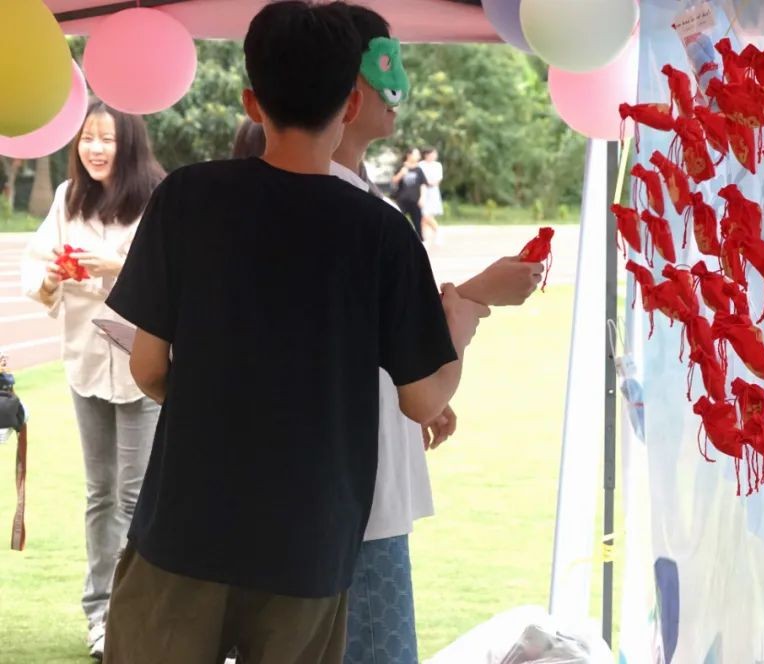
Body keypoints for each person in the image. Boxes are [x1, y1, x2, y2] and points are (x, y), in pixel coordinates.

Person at [101, 2, 489, 661]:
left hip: (186, 525)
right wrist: (466, 319)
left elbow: (147, 368)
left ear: (252, 102)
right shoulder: (381, 232)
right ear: (351, 101)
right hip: (311, 541)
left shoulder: (187, 198)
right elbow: (424, 400)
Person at [329, 7, 543, 663]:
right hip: (359, 498)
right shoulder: (360, 219)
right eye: (383, 66)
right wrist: (472, 301)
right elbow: (417, 386)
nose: (397, 89)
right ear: (349, 90)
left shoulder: (328, 205)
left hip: (319, 493)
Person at [20, 99, 164, 661]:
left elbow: (174, 277)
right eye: (87, 138)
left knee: (135, 495)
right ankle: (100, 615)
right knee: (100, 494)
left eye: (107, 138)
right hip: (84, 362)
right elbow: (39, 266)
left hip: (142, 369)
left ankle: (138, 613)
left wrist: (114, 267)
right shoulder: (67, 198)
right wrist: (51, 279)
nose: (96, 148)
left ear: (129, 144)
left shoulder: (156, 198)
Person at [391, 147, 427, 237]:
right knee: (397, 220)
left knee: (417, 223)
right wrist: (401, 173)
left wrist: (422, 198)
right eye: (416, 154)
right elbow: (394, 181)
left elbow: (423, 184)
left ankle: (420, 241)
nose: (418, 156)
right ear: (409, 155)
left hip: (415, 200)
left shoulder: (418, 169)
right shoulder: (401, 167)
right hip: (402, 199)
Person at [418, 147, 443, 243]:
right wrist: (425, 183)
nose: (434, 156)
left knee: (428, 215)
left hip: (433, 191)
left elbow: (439, 178)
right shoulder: (420, 164)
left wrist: (431, 183)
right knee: (424, 214)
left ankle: (428, 236)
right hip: (422, 190)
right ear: (426, 155)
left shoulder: (437, 165)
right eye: (432, 154)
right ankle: (429, 235)